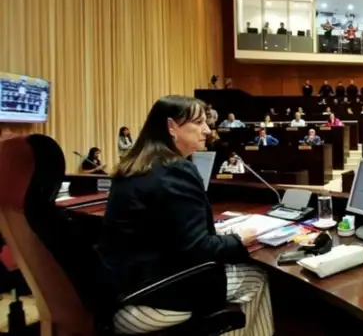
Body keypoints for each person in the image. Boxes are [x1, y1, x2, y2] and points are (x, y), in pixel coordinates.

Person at [95, 96, 272, 335]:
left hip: (118, 294)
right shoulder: (175, 170)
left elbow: (167, 232)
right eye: (198, 123)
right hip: (150, 299)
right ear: (172, 127)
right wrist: (240, 239)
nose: (207, 130)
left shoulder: (136, 165)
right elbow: (198, 251)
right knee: (256, 277)